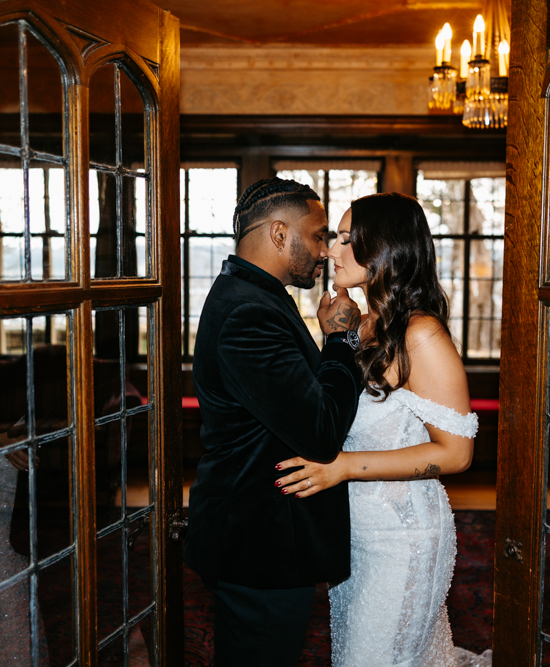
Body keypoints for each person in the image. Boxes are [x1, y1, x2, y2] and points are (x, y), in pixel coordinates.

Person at [275, 192, 493, 667]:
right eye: (335, 238)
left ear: (386, 250)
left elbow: (457, 454)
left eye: (348, 239)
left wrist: (344, 467)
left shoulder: (422, 335)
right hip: (353, 534)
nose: (332, 249)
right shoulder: (362, 324)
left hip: (403, 538)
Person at [184, 178, 364, 666]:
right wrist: (341, 342)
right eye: (319, 235)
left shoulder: (254, 294)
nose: (326, 251)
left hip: (259, 537)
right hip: (259, 543)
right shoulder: (249, 311)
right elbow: (320, 433)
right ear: (281, 234)